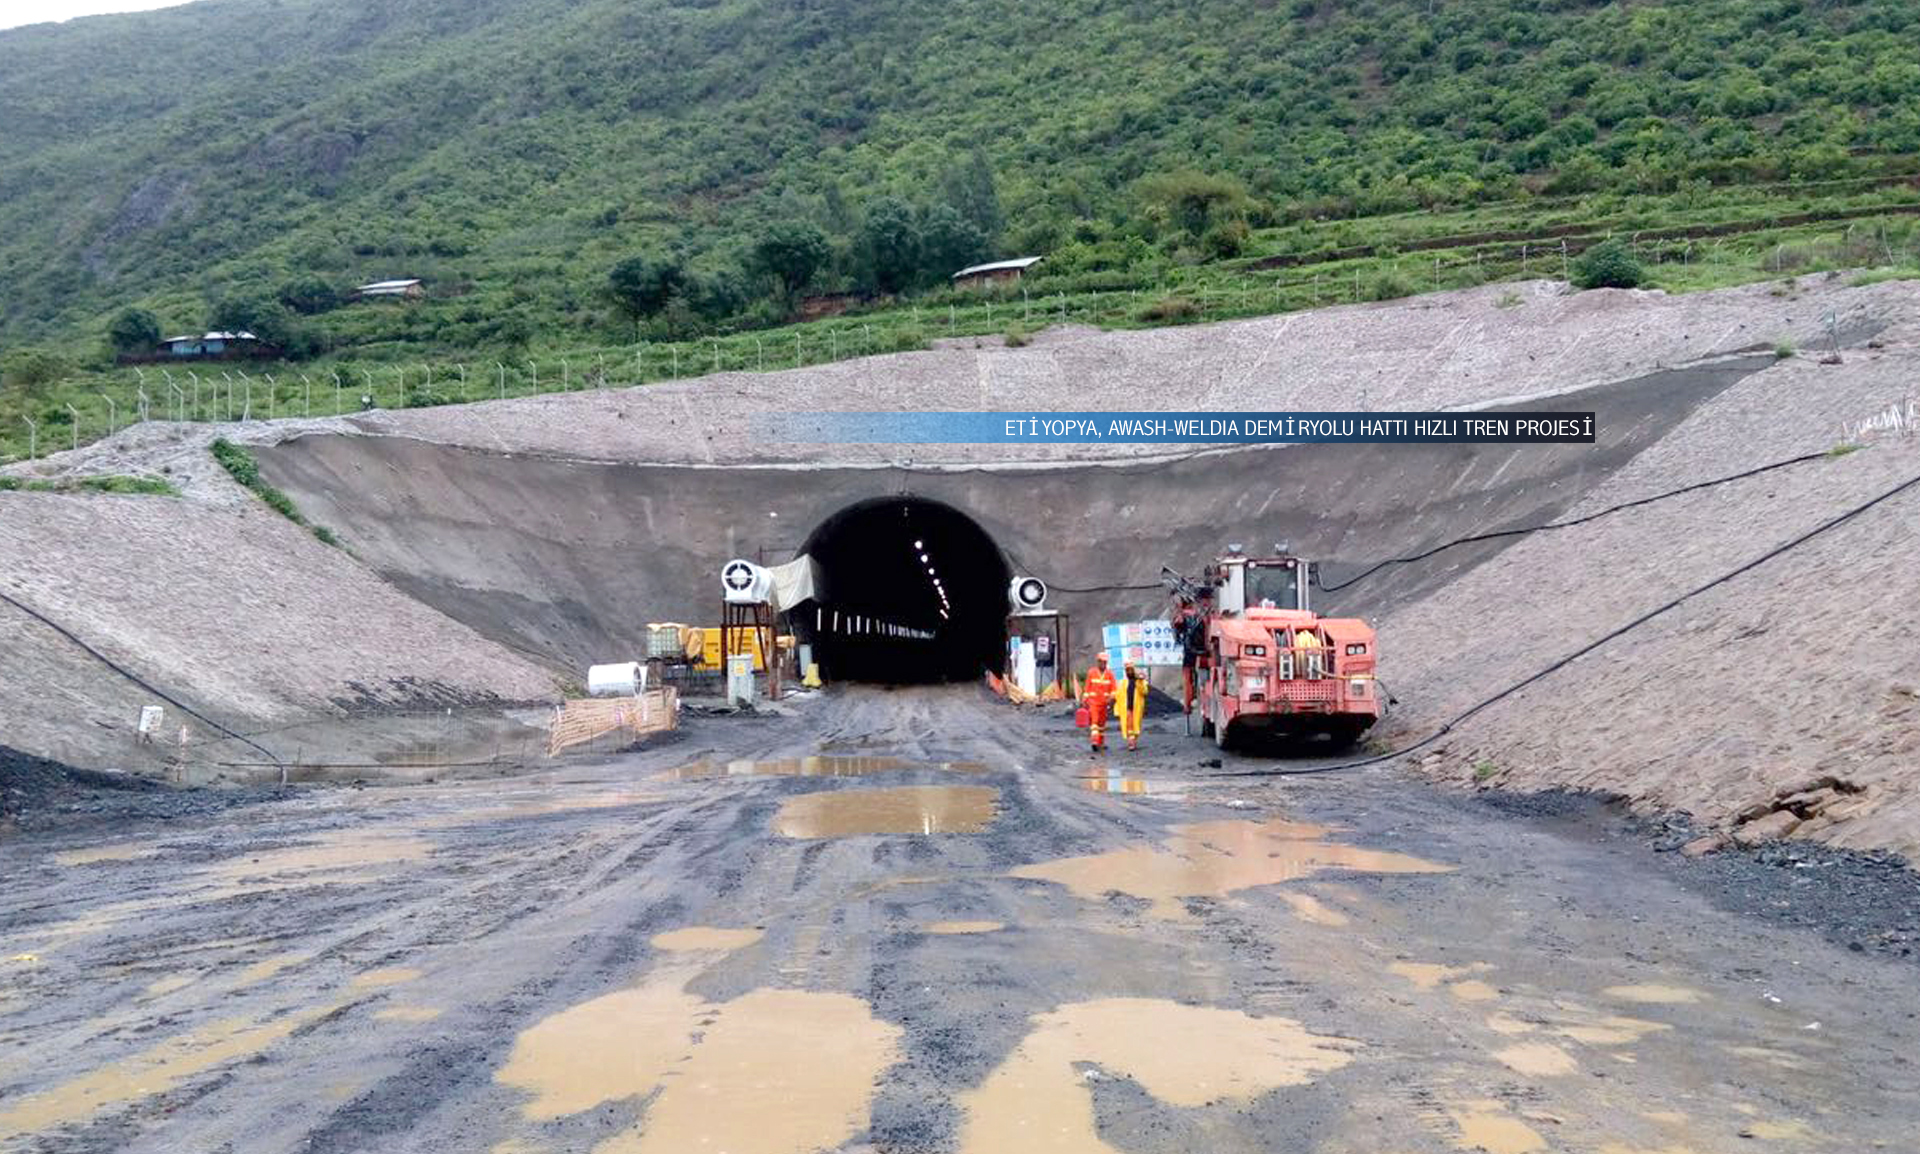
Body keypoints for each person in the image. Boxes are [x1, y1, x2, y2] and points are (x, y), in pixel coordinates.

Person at [1082, 651, 1118, 754]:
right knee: (1094, 722)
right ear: (1098, 662)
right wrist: (1085, 699)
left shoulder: (1110, 674)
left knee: (1102, 724)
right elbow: (1087, 687)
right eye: (1101, 662)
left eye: (1105, 662)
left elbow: (1114, 688)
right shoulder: (1091, 672)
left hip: (1104, 703)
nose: (1103, 664)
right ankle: (1094, 741)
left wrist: (1112, 698)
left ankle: (1101, 743)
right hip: (1093, 702)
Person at [1117, 660, 1150, 751]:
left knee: (1135, 726)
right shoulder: (1123, 683)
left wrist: (1140, 681)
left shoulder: (1140, 681)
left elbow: (1144, 692)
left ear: (1134, 670)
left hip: (1136, 708)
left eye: (1131, 670)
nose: (1129, 672)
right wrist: (1117, 709)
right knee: (1128, 726)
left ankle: (1133, 742)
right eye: (1127, 670)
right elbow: (1118, 696)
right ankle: (1131, 743)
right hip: (1126, 708)